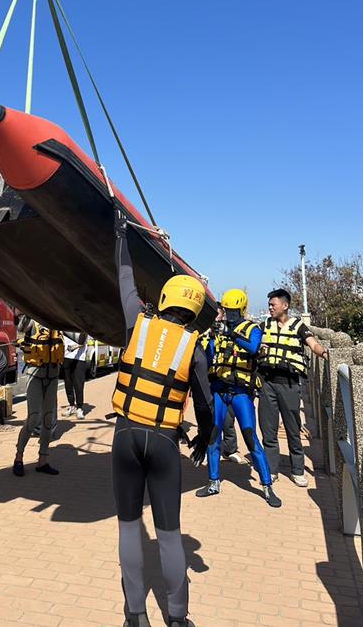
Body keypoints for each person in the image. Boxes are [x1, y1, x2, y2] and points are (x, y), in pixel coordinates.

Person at [112, 205, 214, 627]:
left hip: (124, 436)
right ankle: (177, 617)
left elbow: (124, 279)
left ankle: (135, 615)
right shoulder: (195, 347)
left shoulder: (138, 322)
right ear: (194, 310)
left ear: (167, 299)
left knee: (128, 527)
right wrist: (204, 440)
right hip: (166, 441)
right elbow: (206, 406)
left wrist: (121, 236)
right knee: (169, 534)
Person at [196, 290, 281, 508]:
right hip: (219, 390)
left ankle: (267, 486)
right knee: (214, 437)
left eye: (234, 311)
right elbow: (209, 357)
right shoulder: (217, 331)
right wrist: (204, 341)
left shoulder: (252, 329)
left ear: (242, 310)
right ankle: (213, 482)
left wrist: (232, 333)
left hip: (241, 392)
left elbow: (253, 347)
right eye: (227, 311)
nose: (230, 314)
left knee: (250, 437)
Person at [258, 288, 328, 487]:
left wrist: (324, 352)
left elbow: (313, 344)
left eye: (274, 304)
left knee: (293, 428)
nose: (270, 308)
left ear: (285, 306)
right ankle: (271, 470)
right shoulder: (264, 325)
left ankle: (297, 470)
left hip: (289, 384)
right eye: (269, 304)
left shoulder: (298, 326)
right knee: (268, 430)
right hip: (267, 383)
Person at [12, 316, 64, 477]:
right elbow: (21, 327)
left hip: (53, 376)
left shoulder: (58, 323)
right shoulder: (33, 321)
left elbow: (81, 337)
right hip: (35, 374)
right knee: (33, 417)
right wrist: (30, 310)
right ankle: (18, 458)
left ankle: (43, 460)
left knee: (48, 419)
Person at [198, 313, 243, 463]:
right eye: (213, 315)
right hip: (206, 380)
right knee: (206, 417)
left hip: (224, 381)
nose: (215, 319)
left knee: (228, 419)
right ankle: (204, 449)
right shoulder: (202, 334)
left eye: (218, 315)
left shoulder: (229, 332)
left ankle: (230, 450)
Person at [62, 331, 88, 419]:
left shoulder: (81, 324)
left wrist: (74, 347)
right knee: (68, 384)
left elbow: (83, 341)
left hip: (79, 358)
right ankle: (71, 405)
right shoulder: (65, 324)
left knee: (79, 384)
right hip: (66, 357)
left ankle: (79, 408)